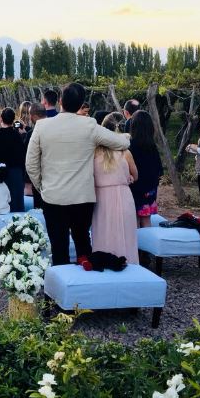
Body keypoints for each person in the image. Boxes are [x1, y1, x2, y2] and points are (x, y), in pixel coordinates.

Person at [26, 83, 131, 266]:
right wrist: (128, 136)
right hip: (82, 198)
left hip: (53, 196)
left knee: (59, 248)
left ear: (60, 101)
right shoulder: (89, 125)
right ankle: (85, 287)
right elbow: (120, 143)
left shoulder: (42, 126)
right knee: (83, 246)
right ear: (81, 103)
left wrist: (42, 186)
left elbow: (31, 164)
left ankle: (58, 290)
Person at [91, 113, 139, 264]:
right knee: (125, 234)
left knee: (103, 233)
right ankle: (128, 266)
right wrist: (127, 178)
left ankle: (103, 266)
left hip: (101, 197)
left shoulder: (93, 152)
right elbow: (135, 175)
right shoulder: (126, 152)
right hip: (123, 196)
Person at [129, 110, 164, 227]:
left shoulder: (131, 145)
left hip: (135, 189)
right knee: (146, 219)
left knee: (134, 220)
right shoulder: (152, 146)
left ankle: (135, 245)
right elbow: (159, 170)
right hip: (150, 190)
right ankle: (147, 244)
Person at [0, 108, 26, 212]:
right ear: (13, 120)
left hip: (0, 174)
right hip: (16, 174)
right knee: (16, 205)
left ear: (1, 119)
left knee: (1, 205)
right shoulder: (18, 137)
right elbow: (23, 156)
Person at [24, 103, 48, 208]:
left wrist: (36, 184)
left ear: (33, 116)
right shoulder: (55, 129)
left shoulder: (32, 133)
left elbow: (29, 160)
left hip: (40, 180)